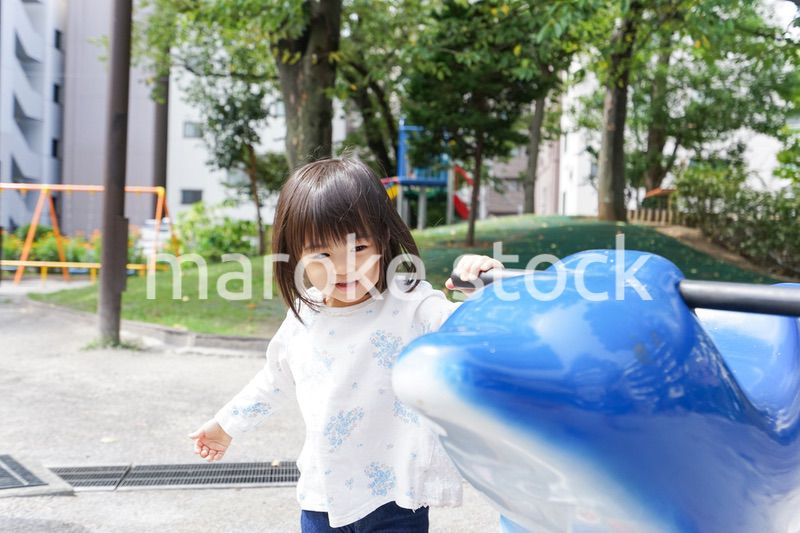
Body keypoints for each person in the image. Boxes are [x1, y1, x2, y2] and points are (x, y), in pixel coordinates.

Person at [188, 157, 503, 532]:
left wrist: (484, 284)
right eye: (321, 253)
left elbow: (474, 333)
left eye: (359, 248)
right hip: (323, 495)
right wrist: (226, 425)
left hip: (394, 497)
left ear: (383, 239)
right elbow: (274, 379)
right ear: (295, 254)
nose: (343, 267)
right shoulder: (305, 316)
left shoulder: (412, 304)